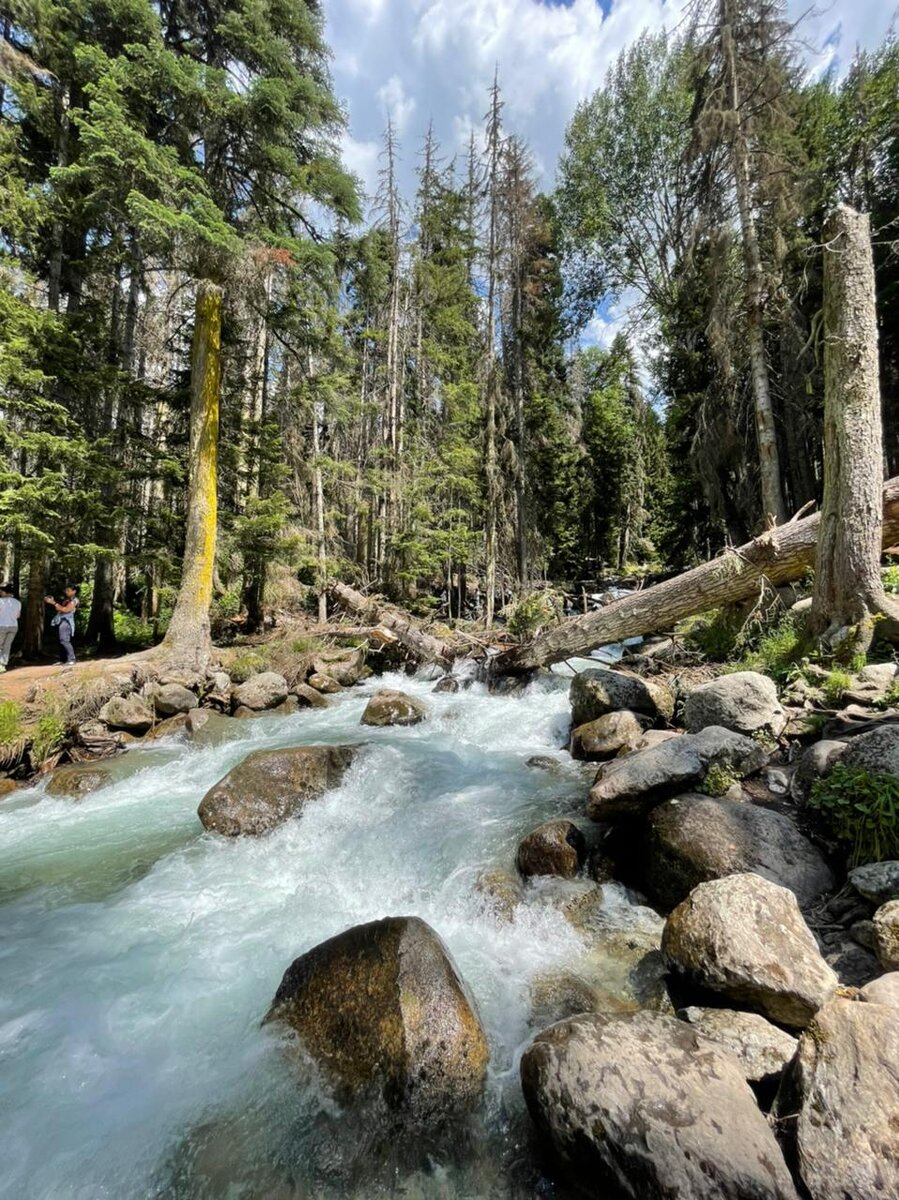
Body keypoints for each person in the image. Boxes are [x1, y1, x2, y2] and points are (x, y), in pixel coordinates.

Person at [45, 585, 80, 667]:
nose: (66, 592)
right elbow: (59, 609)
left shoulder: (75, 600)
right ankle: (63, 659)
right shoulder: (67, 600)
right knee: (60, 641)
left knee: (64, 640)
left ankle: (72, 659)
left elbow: (66, 609)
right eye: (66, 590)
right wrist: (54, 603)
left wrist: (53, 603)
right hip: (61, 620)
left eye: (68, 590)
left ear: (74, 591)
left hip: (67, 621)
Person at [0, 583, 21, 673]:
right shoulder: (17, 602)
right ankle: (3, 665)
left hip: (2, 625)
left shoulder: (0, 601)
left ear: (4, 592)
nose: (0, 593)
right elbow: (18, 616)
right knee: (7, 646)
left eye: (1, 591)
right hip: (13, 626)